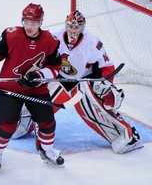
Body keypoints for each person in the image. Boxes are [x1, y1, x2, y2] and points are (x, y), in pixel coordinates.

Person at [13, 10, 144, 154]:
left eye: (76, 27)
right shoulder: (54, 35)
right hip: (57, 78)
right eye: (70, 26)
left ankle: (127, 136)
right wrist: (31, 73)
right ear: (66, 25)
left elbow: (106, 67)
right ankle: (21, 124)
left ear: (82, 27)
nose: (73, 30)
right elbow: (39, 55)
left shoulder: (93, 42)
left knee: (91, 111)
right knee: (39, 103)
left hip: (83, 82)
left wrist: (104, 86)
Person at [0, 3, 64, 172]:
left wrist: (39, 76)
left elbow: (55, 67)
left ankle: (47, 151)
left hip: (37, 89)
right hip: (10, 88)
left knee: (47, 123)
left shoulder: (51, 41)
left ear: (41, 22)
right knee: (8, 125)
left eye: (33, 23)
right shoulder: (12, 35)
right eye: (26, 22)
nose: (29, 26)